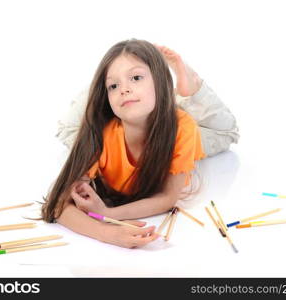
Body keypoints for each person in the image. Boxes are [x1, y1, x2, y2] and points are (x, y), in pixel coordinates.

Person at [41, 39, 239, 248]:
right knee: (68, 131)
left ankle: (190, 84)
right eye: (113, 86)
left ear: (160, 82)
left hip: (167, 127)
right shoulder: (99, 135)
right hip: (132, 113)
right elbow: (58, 204)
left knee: (224, 133)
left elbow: (168, 197)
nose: (124, 89)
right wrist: (108, 232)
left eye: (136, 77)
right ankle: (117, 83)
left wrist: (109, 214)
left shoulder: (183, 127)